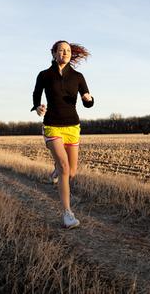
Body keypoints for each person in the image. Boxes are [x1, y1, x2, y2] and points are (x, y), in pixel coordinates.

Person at [32, 40, 94, 229]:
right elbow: (36, 94)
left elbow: (88, 102)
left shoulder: (78, 76)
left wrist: (88, 99)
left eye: (67, 50)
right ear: (54, 53)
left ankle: (56, 170)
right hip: (52, 126)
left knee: (71, 171)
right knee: (65, 167)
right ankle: (67, 213)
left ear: (71, 54)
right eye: (61, 50)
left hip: (72, 127)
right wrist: (38, 107)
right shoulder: (45, 75)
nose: (65, 53)